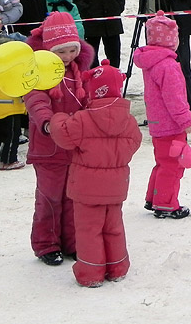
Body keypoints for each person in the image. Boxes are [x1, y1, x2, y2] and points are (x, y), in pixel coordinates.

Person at [49, 60, 142, 286]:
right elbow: (135, 142)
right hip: (116, 187)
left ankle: (91, 273)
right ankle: (118, 267)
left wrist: (58, 117)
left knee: (89, 230)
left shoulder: (82, 119)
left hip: (87, 189)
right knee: (113, 227)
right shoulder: (128, 121)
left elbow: (62, 135)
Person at [23, 12, 96, 266]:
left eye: (72, 51)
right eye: (61, 52)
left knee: (73, 196)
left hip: (74, 147)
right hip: (49, 148)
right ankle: (46, 243)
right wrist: (46, 123)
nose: (67, 57)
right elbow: (35, 100)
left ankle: (72, 242)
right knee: (50, 198)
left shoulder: (78, 72)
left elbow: (87, 99)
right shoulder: (39, 75)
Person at [134, 13, 191, 219]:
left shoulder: (151, 61)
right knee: (173, 165)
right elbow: (175, 97)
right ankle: (166, 204)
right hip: (171, 125)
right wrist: (186, 121)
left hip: (157, 122)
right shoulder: (168, 65)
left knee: (162, 162)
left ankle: (154, 197)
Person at [0, 45, 28, 171]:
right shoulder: (15, 72)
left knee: (2, 134)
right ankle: (8, 160)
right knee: (12, 135)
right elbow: (20, 88)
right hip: (10, 108)